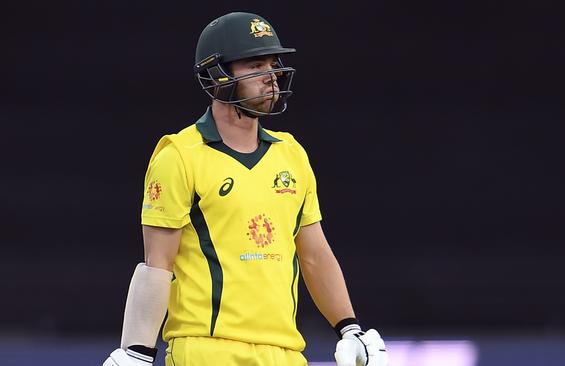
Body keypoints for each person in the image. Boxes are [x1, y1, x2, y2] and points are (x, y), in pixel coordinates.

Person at [102, 12, 388, 366]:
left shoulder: (291, 154)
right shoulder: (179, 155)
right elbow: (157, 265)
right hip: (207, 348)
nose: (271, 77)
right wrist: (137, 351)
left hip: (284, 351)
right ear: (219, 75)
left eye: (273, 64)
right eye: (255, 65)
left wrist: (349, 328)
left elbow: (315, 254)